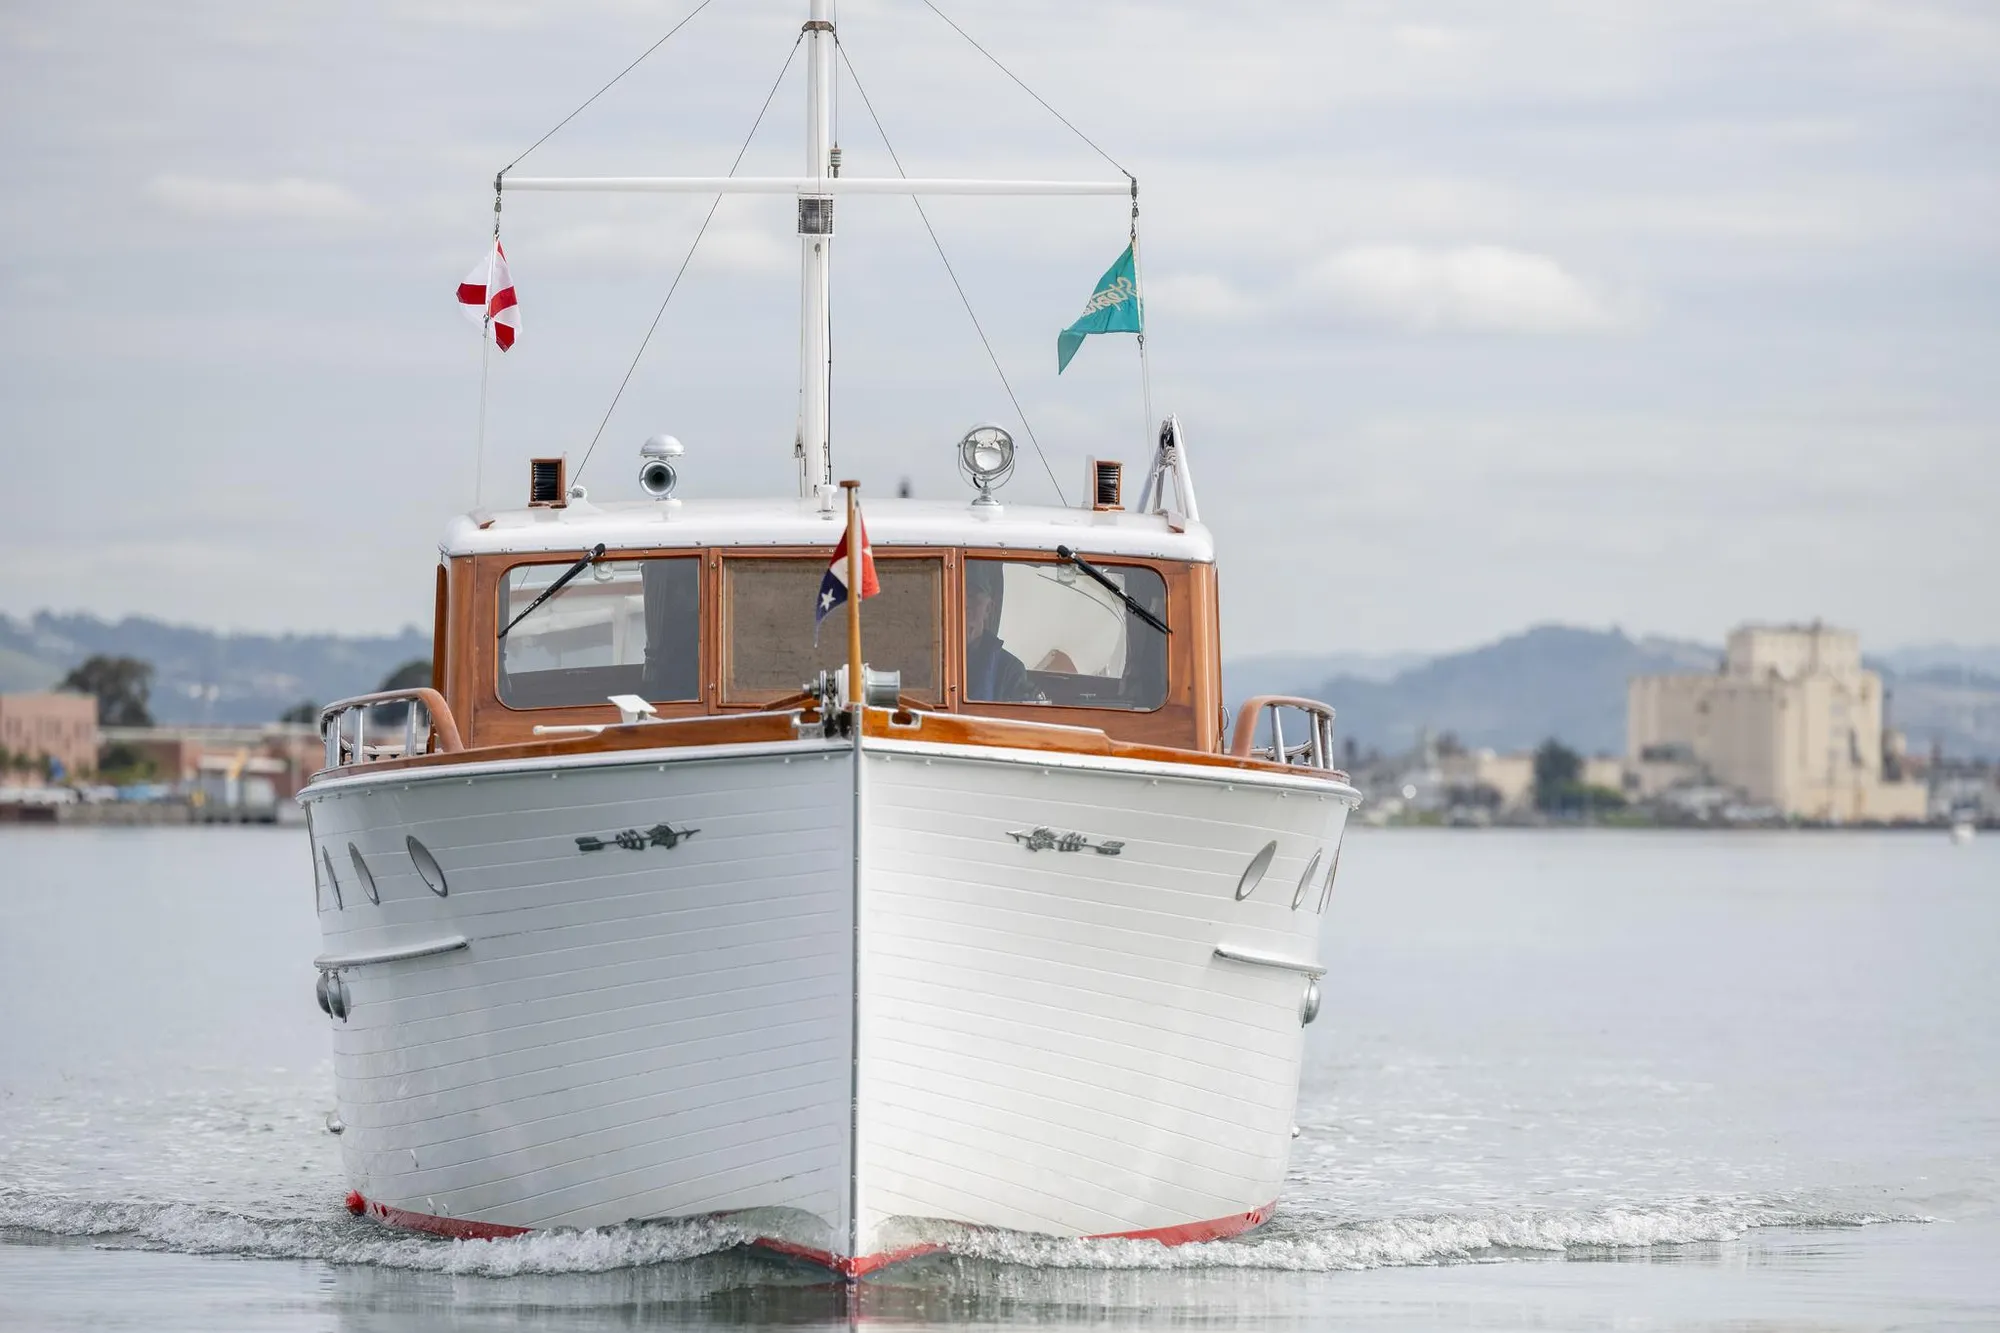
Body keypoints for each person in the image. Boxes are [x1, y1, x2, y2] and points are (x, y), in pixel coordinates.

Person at [965, 562, 1036, 702]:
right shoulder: (924, 659)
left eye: (972, 596)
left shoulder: (1009, 668)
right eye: (955, 594)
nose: (964, 604)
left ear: (988, 609)